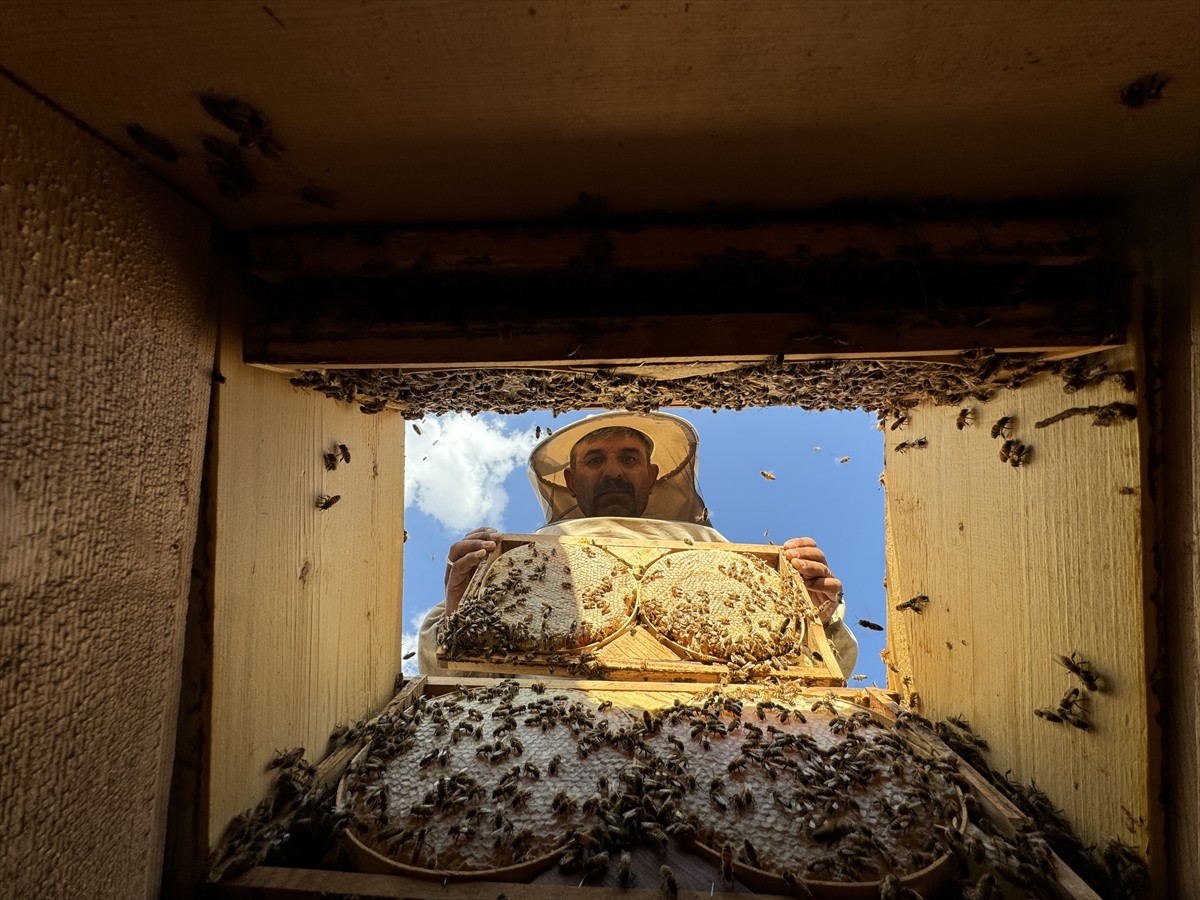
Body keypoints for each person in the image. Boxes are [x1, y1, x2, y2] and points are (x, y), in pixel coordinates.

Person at [418, 411, 858, 674]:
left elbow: (829, 669)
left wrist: (816, 619)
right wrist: (459, 609)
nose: (612, 471)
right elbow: (441, 672)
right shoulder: (524, 555)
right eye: (595, 460)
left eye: (628, 459)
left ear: (650, 476)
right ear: (571, 480)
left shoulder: (708, 543)